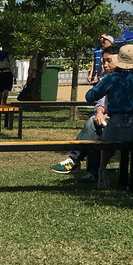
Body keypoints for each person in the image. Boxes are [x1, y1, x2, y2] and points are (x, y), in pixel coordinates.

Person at [85, 42, 133, 187]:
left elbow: (90, 96)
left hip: (115, 126)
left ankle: (102, 170)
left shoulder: (112, 78)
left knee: (106, 142)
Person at [52, 45, 117, 175]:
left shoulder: (122, 80)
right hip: (113, 122)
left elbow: (90, 96)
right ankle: (92, 172)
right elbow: (101, 102)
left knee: (94, 125)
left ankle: (75, 159)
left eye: (109, 61)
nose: (105, 65)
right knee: (97, 124)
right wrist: (100, 112)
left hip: (124, 125)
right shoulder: (107, 78)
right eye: (103, 61)